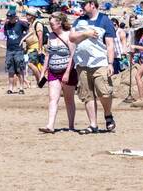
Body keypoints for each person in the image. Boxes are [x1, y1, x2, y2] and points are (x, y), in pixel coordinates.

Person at [73, 0, 116, 134]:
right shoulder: (79, 20)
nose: (81, 7)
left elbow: (110, 45)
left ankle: (108, 115)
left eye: (83, 4)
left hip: (100, 63)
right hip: (82, 64)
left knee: (104, 92)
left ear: (92, 4)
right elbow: (72, 37)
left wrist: (110, 63)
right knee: (87, 95)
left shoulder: (105, 20)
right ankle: (93, 124)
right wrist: (85, 34)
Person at [39, 13, 78, 133]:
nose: (50, 26)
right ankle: (50, 125)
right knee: (52, 98)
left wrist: (67, 72)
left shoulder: (68, 35)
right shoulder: (51, 36)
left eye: (52, 23)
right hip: (53, 71)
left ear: (59, 23)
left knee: (69, 99)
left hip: (68, 71)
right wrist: (43, 71)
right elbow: (48, 55)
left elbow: (73, 56)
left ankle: (71, 125)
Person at [3, 9, 28, 94]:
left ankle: (21, 87)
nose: (9, 19)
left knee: (20, 69)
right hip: (9, 50)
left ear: (15, 17)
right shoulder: (6, 25)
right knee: (10, 70)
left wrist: (23, 39)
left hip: (18, 50)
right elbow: (6, 34)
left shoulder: (20, 24)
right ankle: (10, 88)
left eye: (10, 17)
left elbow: (30, 31)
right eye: (8, 17)